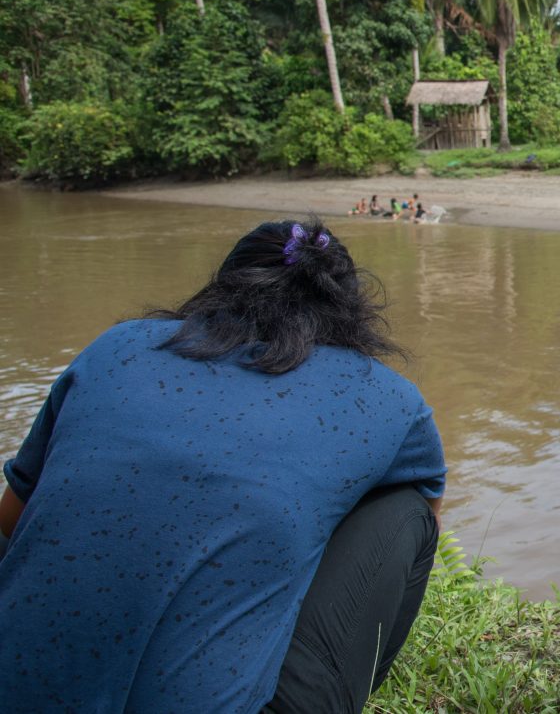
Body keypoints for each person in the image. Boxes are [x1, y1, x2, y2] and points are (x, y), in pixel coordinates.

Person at [0, 219, 448, 713]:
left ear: (223, 284)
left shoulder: (117, 345)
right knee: (403, 508)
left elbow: (12, 520)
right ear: (350, 309)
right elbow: (431, 508)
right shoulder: (386, 396)